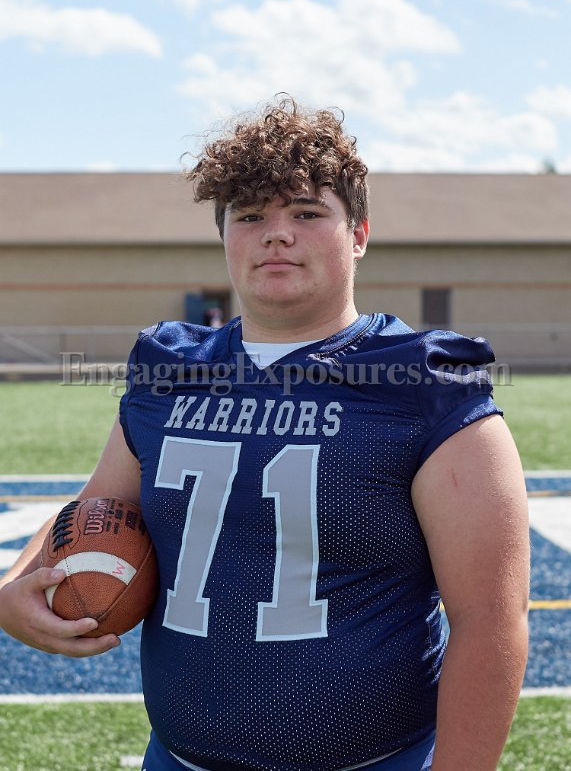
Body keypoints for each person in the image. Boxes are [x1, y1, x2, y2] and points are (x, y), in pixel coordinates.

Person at [0, 96, 529, 771]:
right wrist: (16, 583)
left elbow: (489, 618)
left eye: (306, 214)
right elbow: (98, 505)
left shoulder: (421, 382)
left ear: (358, 234)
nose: (276, 235)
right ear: (225, 236)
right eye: (250, 216)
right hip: (178, 758)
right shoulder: (169, 368)